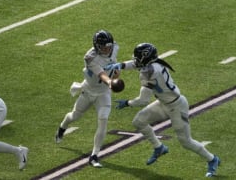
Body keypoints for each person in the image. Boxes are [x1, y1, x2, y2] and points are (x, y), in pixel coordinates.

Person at [114, 43, 220, 177]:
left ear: (146, 58)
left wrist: (128, 103)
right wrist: (121, 65)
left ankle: (212, 159)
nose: (136, 60)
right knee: (138, 121)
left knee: (186, 141)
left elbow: (143, 100)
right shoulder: (154, 65)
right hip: (164, 103)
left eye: (138, 57)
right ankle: (159, 147)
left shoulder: (150, 72)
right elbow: (137, 64)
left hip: (177, 107)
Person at [55, 30, 122, 168]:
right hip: (88, 91)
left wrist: (116, 76)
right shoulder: (90, 57)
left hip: (103, 93)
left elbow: (112, 70)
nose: (107, 49)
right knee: (74, 116)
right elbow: (102, 75)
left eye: (108, 46)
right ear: (97, 46)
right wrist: (111, 82)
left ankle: (94, 155)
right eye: (104, 47)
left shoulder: (114, 48)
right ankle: (62, 128)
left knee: (103, 120)